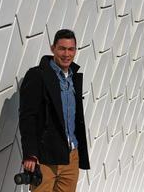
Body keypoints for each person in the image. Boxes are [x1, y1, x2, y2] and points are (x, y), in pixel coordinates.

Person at [19, 29, 90, 192]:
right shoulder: (37, 75)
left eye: (71, 49)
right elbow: (27, 117)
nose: (67, 54)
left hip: (71, 156)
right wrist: (30, 153)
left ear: (75, 50)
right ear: (53, 49)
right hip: (45, 158)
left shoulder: (73, 77)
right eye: (62, 48)